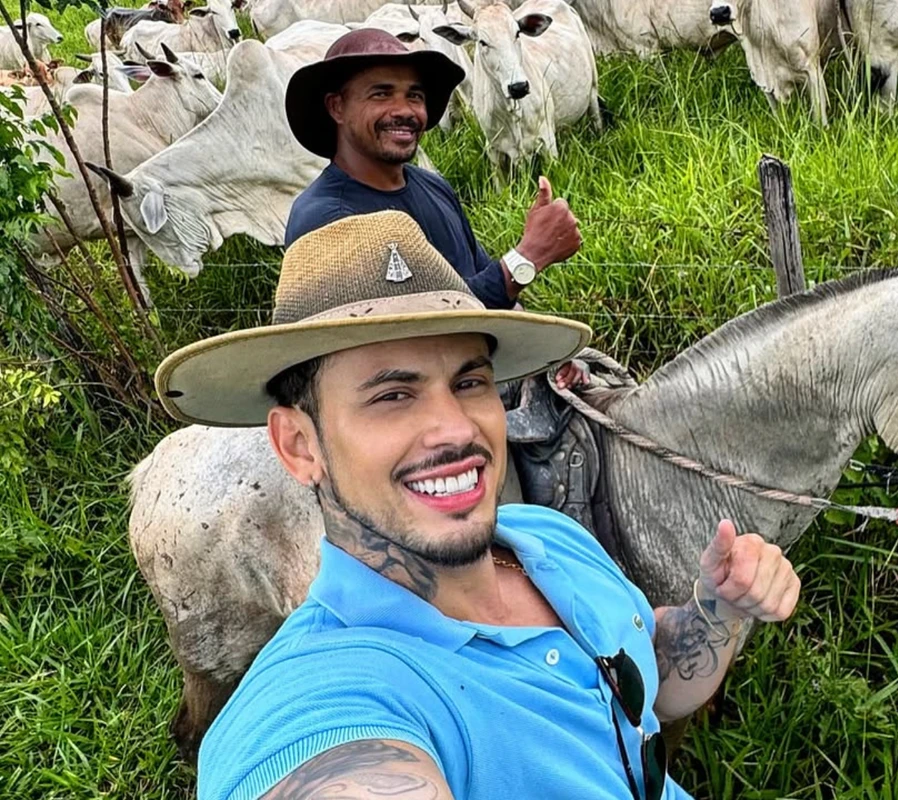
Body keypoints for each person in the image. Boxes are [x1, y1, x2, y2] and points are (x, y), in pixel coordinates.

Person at [168, 211, 801, 800]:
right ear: (299, 444)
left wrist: (719, 608)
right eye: (392, 395)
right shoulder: (329, 694)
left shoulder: (545, 536)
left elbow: (647, 680)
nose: (456, 429)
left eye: (470, 382)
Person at [283, 28, 580, 312]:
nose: (404, 110)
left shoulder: (434, 187)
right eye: (381, 94)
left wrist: (545, 351)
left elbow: (483, 285)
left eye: (414, 95)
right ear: (337, 108)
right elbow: (422, 325)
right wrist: (527, 256)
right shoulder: (327, 218)